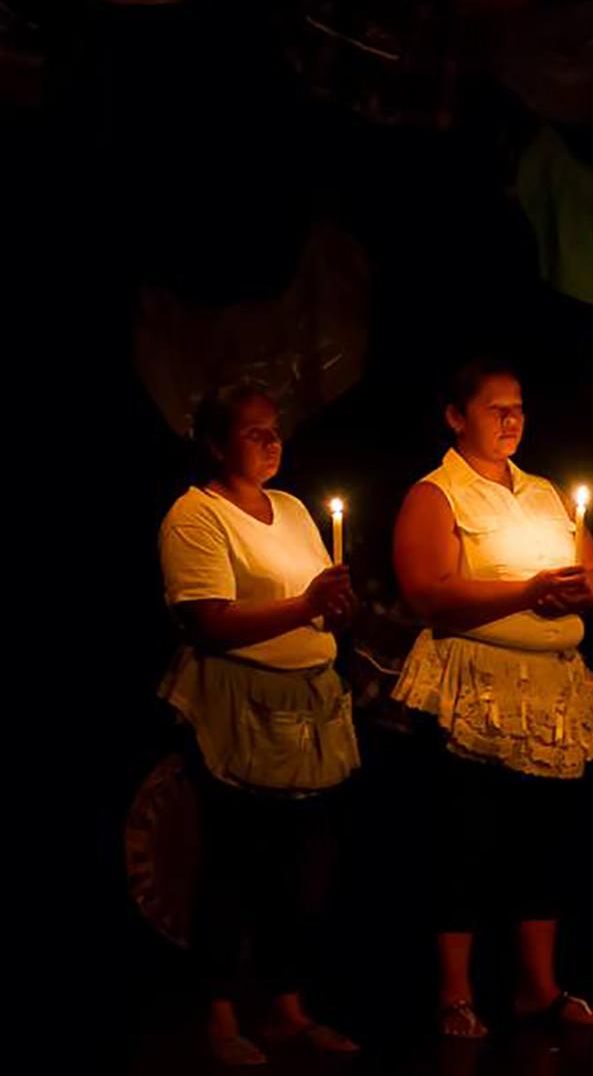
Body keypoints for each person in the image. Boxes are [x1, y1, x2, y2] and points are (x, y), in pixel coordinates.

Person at [391, 359, 593, 1037]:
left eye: (518, 406)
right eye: (496, 408)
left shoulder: (545, 491)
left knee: (543, 841)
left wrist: (584, 587)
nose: (513, 419)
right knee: (466, 839)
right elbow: (428, 590)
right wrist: (525, 591)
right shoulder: (436, 493)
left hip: (548, 692)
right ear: (457, 416)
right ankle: (455, 991)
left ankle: (537, 986)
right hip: (476, 689)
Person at [157, 384, 362, 1064]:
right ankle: (217, 1014)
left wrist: (332, 608)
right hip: (238, 705)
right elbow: (209, 621)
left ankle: (285, 1007)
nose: (273, 444)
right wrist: (306, 605)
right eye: (254, 433)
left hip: (304, 709)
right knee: (234, 865)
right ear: (215, 444)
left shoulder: (296, 508)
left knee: (305, 870)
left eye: (276, 431)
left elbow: (312, 600)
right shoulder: (196, 517)